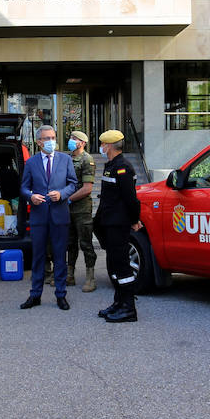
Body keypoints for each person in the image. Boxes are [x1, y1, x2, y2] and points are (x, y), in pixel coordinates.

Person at [19, 125, 80, 310]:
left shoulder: (65, 160)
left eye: (53, 137)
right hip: (39, 217)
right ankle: (35, 295)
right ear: (39, 142)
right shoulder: (31, 163)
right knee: (38, 257)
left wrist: (62, 194)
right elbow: (23, 187)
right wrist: (31, 196)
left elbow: (73, 184)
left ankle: (61, 294)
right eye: (47, 138)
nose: (51, 141)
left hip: (59, 215)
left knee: (60, 256)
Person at [92, 129, 142, 323]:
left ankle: (129, 309)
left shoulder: (123, 168)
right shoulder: (111, 165)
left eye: (103, 144)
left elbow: (131, 199)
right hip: (109, 223)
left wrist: (134, 219)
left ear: (110, 146)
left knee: (122, 267)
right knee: (114, 265)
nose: (102, 147)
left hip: (118, 224)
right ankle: (119, 303)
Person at [66, 130, 98, 292]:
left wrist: (68, 199)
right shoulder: (68, 158)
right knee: (70, 242)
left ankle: (90, 277)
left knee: (85, 243)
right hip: (68, 209)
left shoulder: (87, 160)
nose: (71, 140)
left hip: (82, 209)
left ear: (83, 142)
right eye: (71, 138)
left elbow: (87, 189)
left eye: (74, 139)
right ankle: (69, 274)